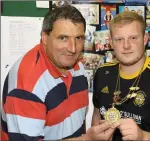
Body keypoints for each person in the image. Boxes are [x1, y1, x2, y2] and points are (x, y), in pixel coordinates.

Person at [1, 5, 115, 141]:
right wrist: (86, 140)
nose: (73, 49)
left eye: (78, 38)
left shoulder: (78, 67)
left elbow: (77, 123)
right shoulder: (26, 85)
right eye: (63, 38)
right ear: (44, 37)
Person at [92, 11, 150, 141]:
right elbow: (97, 116)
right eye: (119, 39)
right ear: (111, 42)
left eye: (133, 38)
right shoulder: (102, 73)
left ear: (145, 39)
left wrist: (143, 137)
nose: (126, 46)